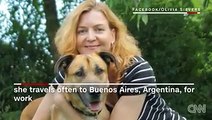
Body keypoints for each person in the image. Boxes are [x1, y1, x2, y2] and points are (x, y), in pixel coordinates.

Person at [33, 0, 186, 119]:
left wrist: (61, 103)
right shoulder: (71, 70)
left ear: (112, 35)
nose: (90, 38)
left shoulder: (137, 70)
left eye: (99, 29)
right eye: (82, 31)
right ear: (74, 38)